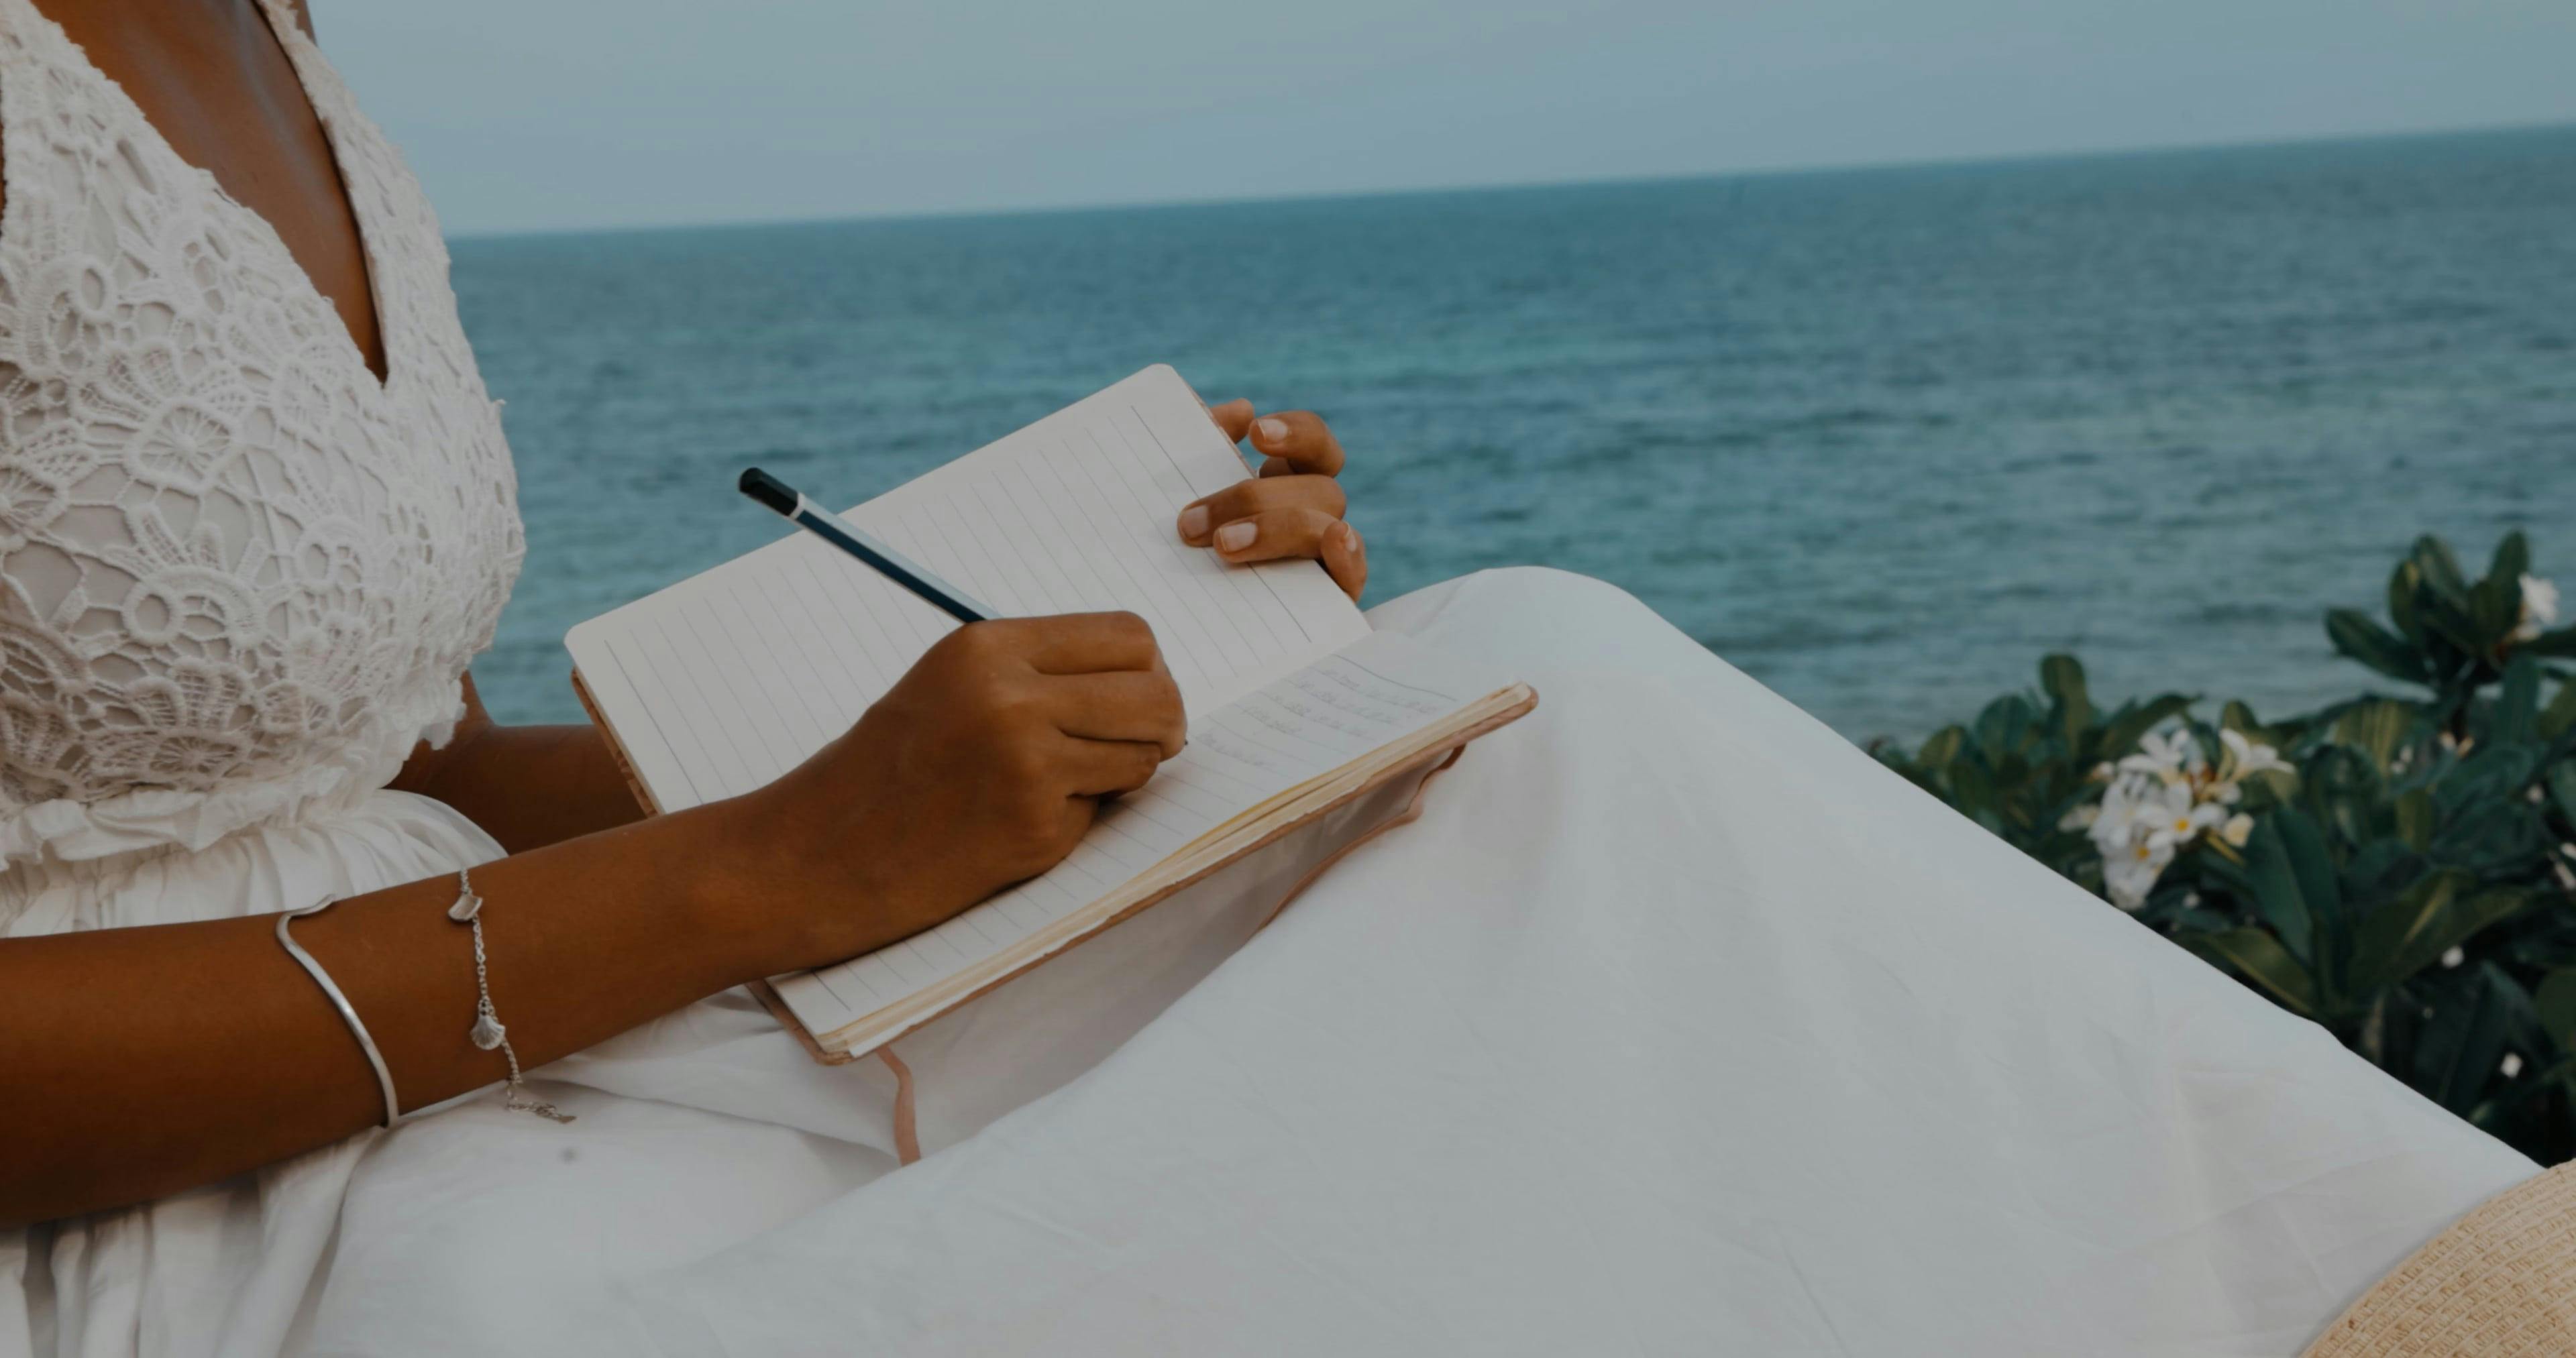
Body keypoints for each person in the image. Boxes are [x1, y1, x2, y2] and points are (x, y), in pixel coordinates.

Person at [0, 3, 2541, 1354]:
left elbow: (365, 753)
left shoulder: (278, 32)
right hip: (207, 1203)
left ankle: (2427, 1296)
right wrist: (778, 864)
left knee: (1525, 689)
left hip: (499, 1003)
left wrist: (1107, 678)